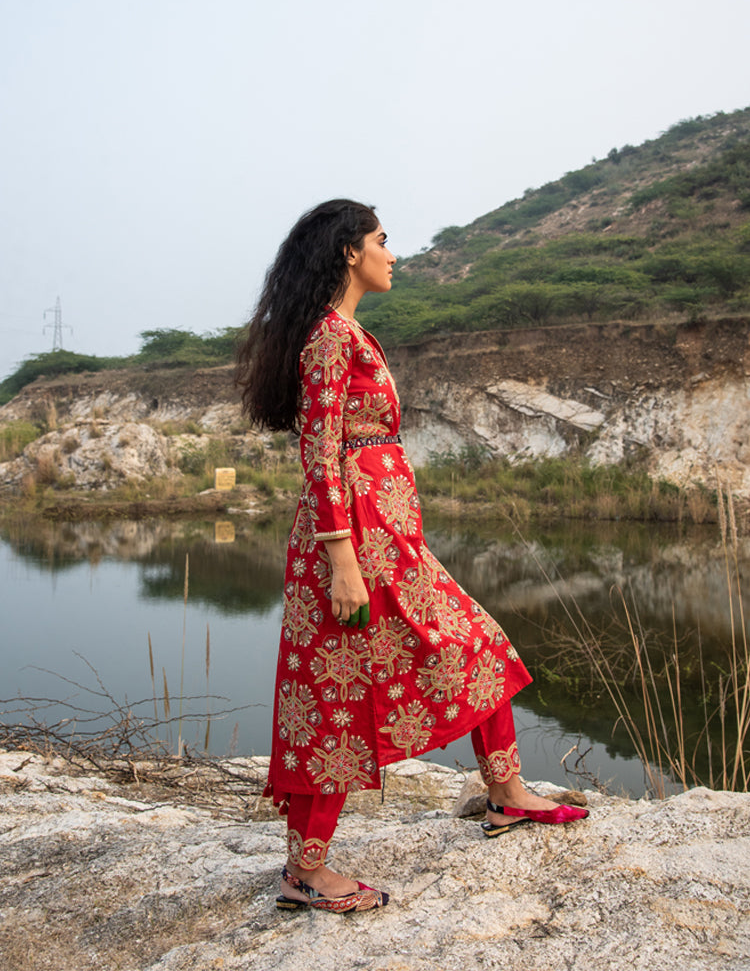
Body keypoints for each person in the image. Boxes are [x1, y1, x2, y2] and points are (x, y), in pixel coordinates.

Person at [235, 199, 588, 914]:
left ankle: (507, 794)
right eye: (381, 241)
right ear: (347, 253)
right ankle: (305, 872)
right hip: (354, 546)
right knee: (333, 697)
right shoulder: (331, 339)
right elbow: (321, 453)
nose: (392, 255)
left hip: (388, 543)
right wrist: (341, 560)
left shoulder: (348, 333)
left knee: (475, 645)